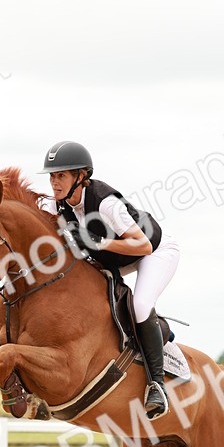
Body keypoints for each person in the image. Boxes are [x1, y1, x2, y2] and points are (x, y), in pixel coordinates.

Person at [38, 140, 180, 420]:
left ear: (82, 176)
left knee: (140, 305)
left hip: (154, 250)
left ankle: (156, 385)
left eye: (61, 176)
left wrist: (98, 242)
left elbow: (143, 247)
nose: (55, 183)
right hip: (117, 257)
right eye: (52, 176)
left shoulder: (106, 204)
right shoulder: (59, 204)